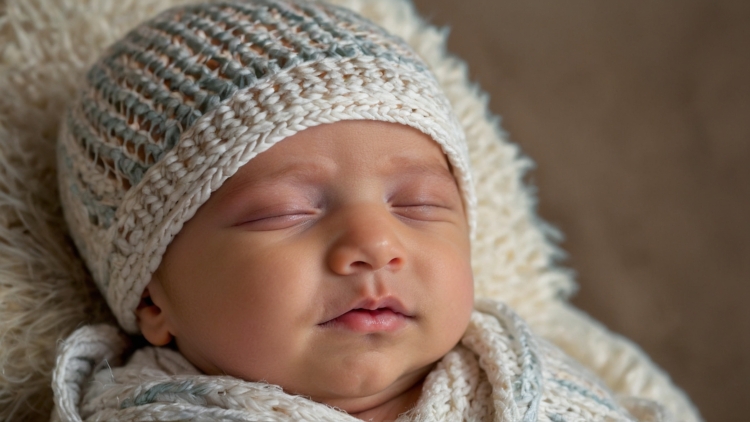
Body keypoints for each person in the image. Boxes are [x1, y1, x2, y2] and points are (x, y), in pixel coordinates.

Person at [51, 1, 674, 420]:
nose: (376, 243)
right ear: (154, 300)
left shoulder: (526, 381)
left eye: (418, 204)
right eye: (285, 212)